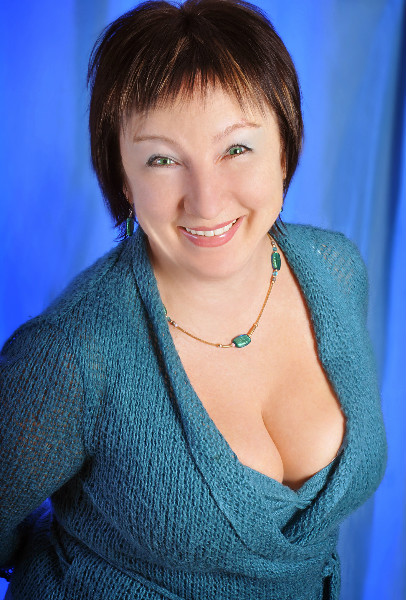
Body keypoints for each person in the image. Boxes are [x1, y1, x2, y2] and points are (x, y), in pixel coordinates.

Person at [0, 1, 387, 598]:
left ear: (284, 148)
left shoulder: (336, 271)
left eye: (236, 149)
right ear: (123, 178)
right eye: (162, 159)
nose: (206, 201)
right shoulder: (70, 355)